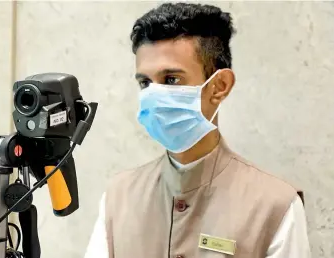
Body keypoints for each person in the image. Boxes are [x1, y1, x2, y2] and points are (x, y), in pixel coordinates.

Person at [84, 3, 311, 258]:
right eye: (145, 82)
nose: (154, 95)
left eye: (171, 79)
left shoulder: (274, 206)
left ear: (219, 86)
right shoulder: (118, 198)